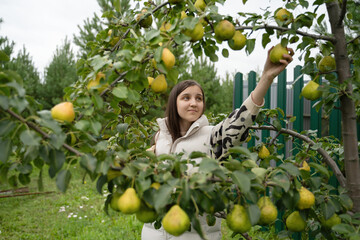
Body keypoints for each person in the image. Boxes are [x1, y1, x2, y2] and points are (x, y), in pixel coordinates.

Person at [141, 46, 294, 240]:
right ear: (174, 103)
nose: (193, 103)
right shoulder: (160, 136)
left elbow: (241, 120)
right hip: (154, 232)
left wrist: (266, 77)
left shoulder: (212, 136)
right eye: (186, 98)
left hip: (194, 234)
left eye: (199, 98)